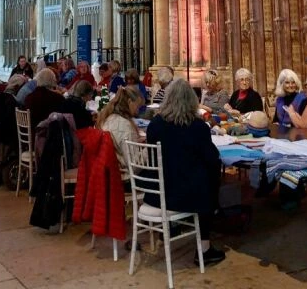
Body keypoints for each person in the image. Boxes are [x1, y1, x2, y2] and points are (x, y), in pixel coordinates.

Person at [145, 79, 225, 266]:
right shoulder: (197, 127)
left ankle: (172, 227)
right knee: (210, 176)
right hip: (187, 197)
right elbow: (212, 159)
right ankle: (204, 248)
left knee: (185, 173)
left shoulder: (155, 124)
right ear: (191, 100)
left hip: (157, 193)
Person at [96, 85, 144, 179]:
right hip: (123, 178)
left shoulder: (107, 118)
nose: (137, 111)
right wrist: (148, 149)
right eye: (137, 106)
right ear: (130, 102)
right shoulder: (125, 125)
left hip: (107, 174)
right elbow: (134, 166)